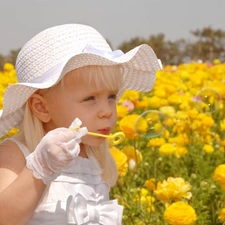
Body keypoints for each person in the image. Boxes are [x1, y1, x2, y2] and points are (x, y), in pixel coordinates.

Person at [0, 24, 161, 225]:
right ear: (42, 108)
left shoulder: (92, 155)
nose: (108, 110)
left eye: (111, 96)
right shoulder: (17, 153)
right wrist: (41, 168)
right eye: (90, 98)